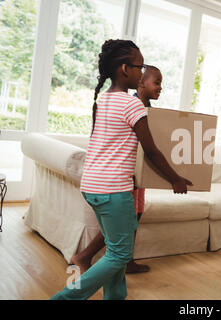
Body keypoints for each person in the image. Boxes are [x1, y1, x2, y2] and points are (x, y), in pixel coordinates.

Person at [51, 39, 191, 300]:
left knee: (115, 250)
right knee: (120, 255)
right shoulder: (132, 105)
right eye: (140, 67)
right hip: (113, 191)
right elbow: (151, 151)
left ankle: (115, 297)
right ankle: (64, 298)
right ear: (124, 69)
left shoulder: (104, 100)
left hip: (92, 186)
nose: (141, 73)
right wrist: (176, 179)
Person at [70, 66, 163, 275]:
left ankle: (127, 260)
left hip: (139, 175)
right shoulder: (131, 105)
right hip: (123, 177)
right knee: (124, 221)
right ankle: (85, 255)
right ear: (141, 82)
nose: (160, 87)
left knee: (135, 216)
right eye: (156, 82)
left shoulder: (150, 110)